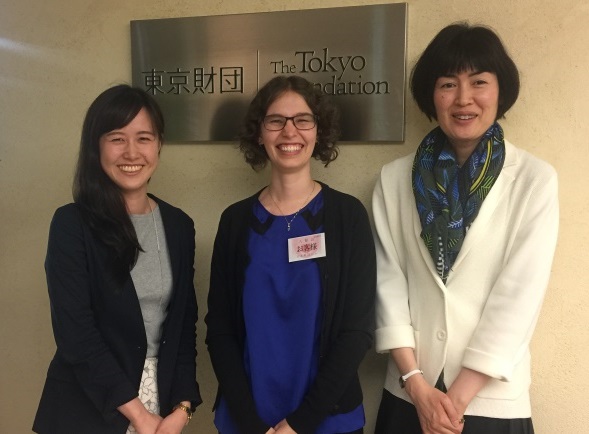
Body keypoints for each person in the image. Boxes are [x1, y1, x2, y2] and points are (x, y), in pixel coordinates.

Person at [372, 23, 559, 434]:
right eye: (447, 84)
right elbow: (387, 283)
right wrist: (418, 388)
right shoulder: (393, 179)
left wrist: (452, 403)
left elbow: (519, 295)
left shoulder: (533, 179)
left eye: (479, 82)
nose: (463, 99)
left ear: (500, 90)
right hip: (409, 393)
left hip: (490, 399)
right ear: (430, 95)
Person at [205, 75, 376, 434]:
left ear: (319, 130)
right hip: (247, 421)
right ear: (259, 133)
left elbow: (356, 331)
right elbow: (220, 332)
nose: (289, 132)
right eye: (275, 121)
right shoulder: (235, 222)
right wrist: (251, 424)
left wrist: (299, 424)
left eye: (303, 119)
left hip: (327, 421)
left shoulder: (347, 217)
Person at [33, 84, 202, 434]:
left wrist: (183, 408)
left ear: (158, 145)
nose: (131, 152)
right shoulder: (71, 224)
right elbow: (76, 334)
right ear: (96, 146)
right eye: (116, 138)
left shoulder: (178, 225)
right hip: (88, 408)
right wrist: (139, 417)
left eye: (143, 138)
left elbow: (184, 325)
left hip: (162, 407)